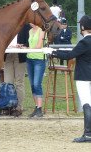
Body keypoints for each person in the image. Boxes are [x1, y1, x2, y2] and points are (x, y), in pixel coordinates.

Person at [51, 15, 91, 143]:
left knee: (87, 104)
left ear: (83, 27)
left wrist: (52, 52)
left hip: (84, 77)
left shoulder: (85, 42)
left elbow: (69, 56)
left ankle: (88, 134)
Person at [3, 24, 30, 117]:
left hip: (20, 55)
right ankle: (8, 106)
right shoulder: (6, 25)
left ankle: (19, 107)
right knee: (8, 83)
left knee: (19, 82)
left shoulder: (26, 26)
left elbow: (29, 42)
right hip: (8, 55)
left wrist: (22, 46)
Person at [26, 24, 46, 118]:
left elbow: (39, 46)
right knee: (32, 85)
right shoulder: (30, 31)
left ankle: (40, 108)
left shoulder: (41, 30)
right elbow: (31, 44)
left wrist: (27, 48)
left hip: (39, 60)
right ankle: (37, 106)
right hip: (29, 59)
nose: (31, 22)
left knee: (37, 84)